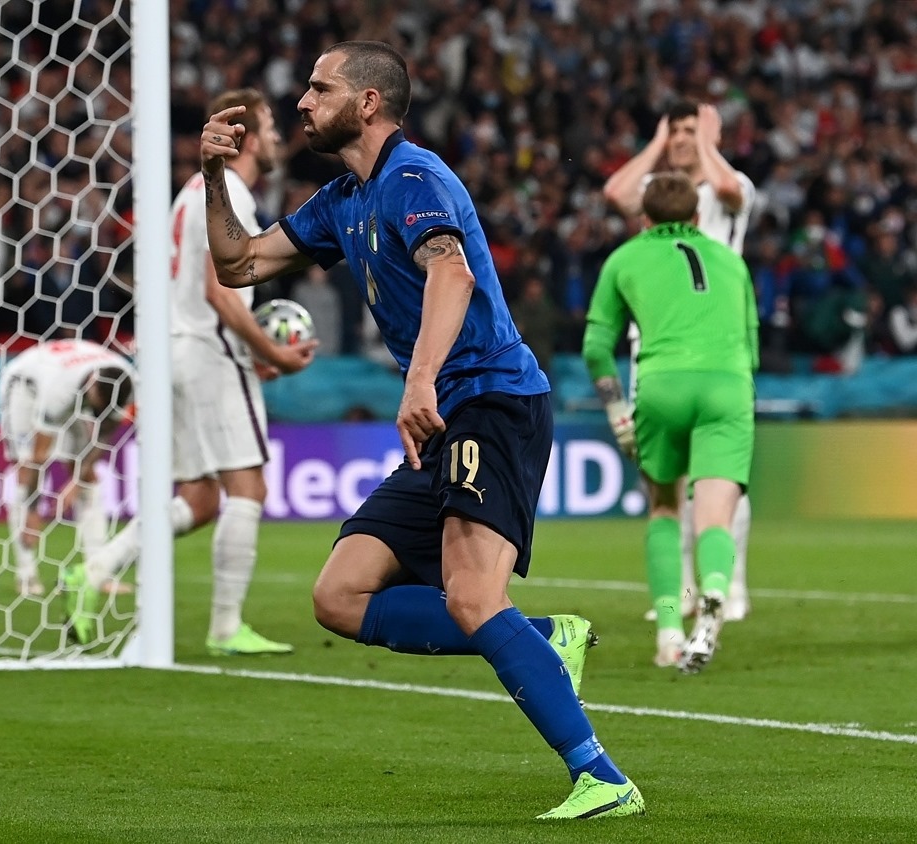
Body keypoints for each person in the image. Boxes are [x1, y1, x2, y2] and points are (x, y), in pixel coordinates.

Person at [202, 41, 643, 820]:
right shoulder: (343, 198)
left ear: (368, 102)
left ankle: (602, 777)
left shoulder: (415, 177)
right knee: (339, 596)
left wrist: (419, 378)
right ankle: (542, 637)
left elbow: (452, 270)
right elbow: (239, 265)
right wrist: (212, 176)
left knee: (473, 595)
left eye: (320, 88)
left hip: (492, 402)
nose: (303, 101)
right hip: (443, 416)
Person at [78, 88, 317, 656]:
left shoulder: (192, 192)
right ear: (248, 138)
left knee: (201, 498)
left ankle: (95, 569)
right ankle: (226, 628)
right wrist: (274, 352)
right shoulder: (230, 193)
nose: (278, 140)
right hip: (208, 351)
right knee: (248, 486)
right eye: (271, 129)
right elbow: (220, 290)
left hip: (171, 352)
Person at [584, 172, 758, 671]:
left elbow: (596, 348)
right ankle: (715, 594)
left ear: (644, 218)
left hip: (662, 386)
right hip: (727, 386)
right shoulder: (731, 261)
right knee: (715, 518)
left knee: (664, 509)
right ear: (698, 216)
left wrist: (618, 414)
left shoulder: (625, 258)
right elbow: (753, 345)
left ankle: (668, 632)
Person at [0, 338, 134, 642]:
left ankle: (99, 572)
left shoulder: (126, 383)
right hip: (26, 385)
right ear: (92, 388)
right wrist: (34, 510)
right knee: (25, 468)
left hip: (72, 379)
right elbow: (39, 456)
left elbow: (104, 436)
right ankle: (26, 574)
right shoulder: (58, 392)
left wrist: (77, 481)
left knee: (87, 477)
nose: (98, 413)